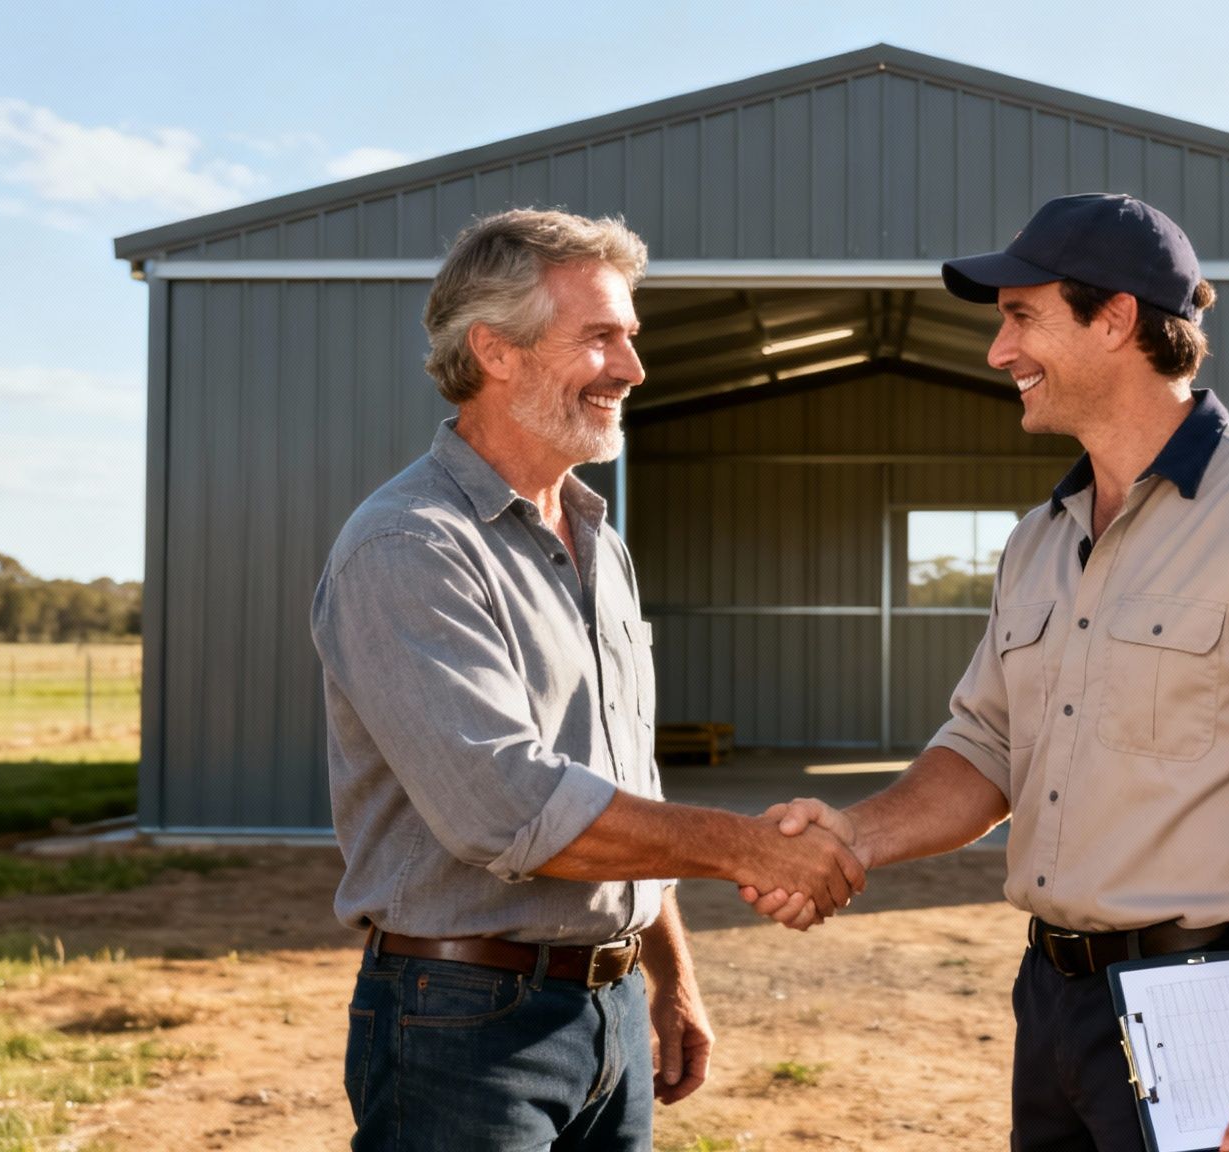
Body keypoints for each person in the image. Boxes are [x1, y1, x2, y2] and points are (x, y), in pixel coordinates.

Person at [744, 193, 1229, 1152]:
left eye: (1022, 316)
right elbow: (988, 751)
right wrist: (852, 836)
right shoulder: (1040, 541)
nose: (999, 351)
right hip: (1056, 1005)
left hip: (1219, 1012)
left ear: (1116, 318)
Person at [312, 208, 865, 1151]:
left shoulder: (596, 541)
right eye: (600, 336)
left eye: (631, 337)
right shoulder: (412, 546)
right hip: (462, 1026)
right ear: (495, 349)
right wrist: (748, 849)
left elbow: (622, 783)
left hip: (605, 1014)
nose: (633, 368)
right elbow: (510, 807)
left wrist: (668, 974)